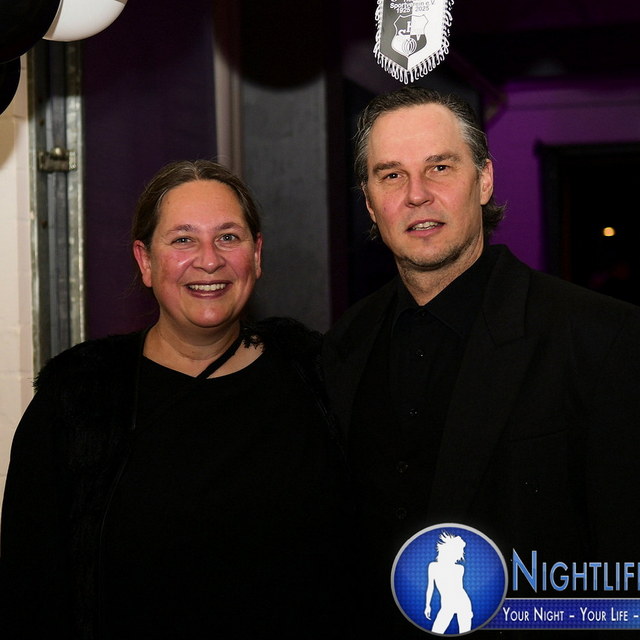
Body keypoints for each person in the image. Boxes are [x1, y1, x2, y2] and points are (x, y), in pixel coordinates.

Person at [322, 87, 640, 637]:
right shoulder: (343, 345)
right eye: (391, 175)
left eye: (440, 167)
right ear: (370, 203)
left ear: (484, 180)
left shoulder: (600, 337)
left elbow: (624, 576)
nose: (417, 194)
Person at [0, 160, 352, 639]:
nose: (209, 260)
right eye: (183, 239)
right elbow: (30, 587)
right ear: (145, 261)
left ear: (256, 254)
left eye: (228, 237)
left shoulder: (320, 380)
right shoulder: (79, 399)